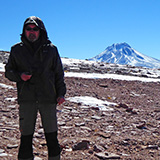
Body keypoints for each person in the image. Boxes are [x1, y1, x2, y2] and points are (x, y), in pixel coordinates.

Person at [5, 16, 66, 160]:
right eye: (28, 29)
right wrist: (20, 76)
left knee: (52, 136)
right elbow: (8, 72)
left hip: (48, 98)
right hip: (27, 99)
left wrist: (61, 93)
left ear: (41, 31)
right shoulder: (16, 50)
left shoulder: (51, 50)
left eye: (35, 29)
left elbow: (58, 73)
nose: (32, 32)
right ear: (24, 31)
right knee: (25, 137)